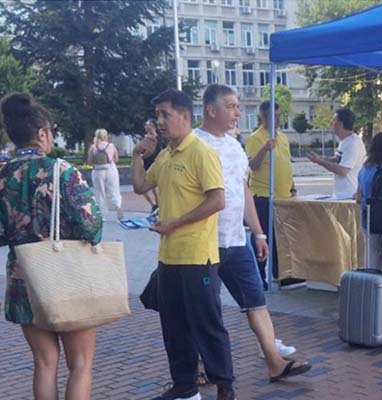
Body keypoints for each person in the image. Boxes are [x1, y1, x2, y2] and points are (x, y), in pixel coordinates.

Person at [195, 84, 311, 382]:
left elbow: (243, 190)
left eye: (236, 106)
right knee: (205, 310)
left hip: (237, 241)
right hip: (204, 244)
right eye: (231, 106)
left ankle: (275, 362)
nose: (237, 112)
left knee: (256, 301)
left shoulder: (234, 146)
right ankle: (195, 367)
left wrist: (258, 233)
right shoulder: (194, 144)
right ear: (211, 110)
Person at [131, 89, 236, 400]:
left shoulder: (201, 152)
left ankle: (224, 385)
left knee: (208, 325)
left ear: (186, 116)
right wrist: (138, 155)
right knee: (173, 327)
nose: (160, 122)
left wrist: (174, 223)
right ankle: (184, 385)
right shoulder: (165, 155)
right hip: (169, 258)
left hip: (197, 256)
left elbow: (218, 200)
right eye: (158, 115)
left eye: (166, 114)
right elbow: (140, 186)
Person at [0, 93, 103, 399]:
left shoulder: (3, 175)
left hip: (23, 277)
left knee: (44, 363)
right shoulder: (61, 170)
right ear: (42, 133)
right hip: (66, 275)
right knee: (81, 364)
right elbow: (92, 226)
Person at [245, 101, 296, 288]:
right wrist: (264, 149)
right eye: (274, 116)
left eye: (279, 115)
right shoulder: (256, 138)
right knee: (262, 236)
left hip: (283, 196)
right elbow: (252, 165)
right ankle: (258, 276)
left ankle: (280, 273)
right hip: (264, 195)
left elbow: (286, 163)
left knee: (281, 236)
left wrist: (293, 187)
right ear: (264, 117)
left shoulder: (282, 137)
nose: (278, 119)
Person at [307, 108, 367, 198]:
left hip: (349, 195)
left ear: (341, 124)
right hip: (342, 194)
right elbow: (338, 160)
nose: (331, 123)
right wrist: (321, 158)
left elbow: (343, 170)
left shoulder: (353, 143)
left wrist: (320, 162)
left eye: (334, 120)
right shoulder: (345, 141)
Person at [355, 131, 382, 268]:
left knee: (372, 255)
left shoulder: (364, 169)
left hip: (368, 217)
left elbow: (358, 197)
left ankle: (373, 284)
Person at [87, 128, 123, 220]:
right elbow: (116, 159)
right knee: (114, 190)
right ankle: (117, 205)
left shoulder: (93, 147)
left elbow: (90, 161)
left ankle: (102, 215)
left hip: (98, 171)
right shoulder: (111, 146)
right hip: (111, 169)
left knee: (100, 193)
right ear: (106, 136)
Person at [142, 119, 163, 213]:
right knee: (144, 187)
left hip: (155, 163)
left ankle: (158, 208)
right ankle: (154, 205)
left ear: (153, 126)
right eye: (145, 124)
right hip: (146, 164)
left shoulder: (158, 138)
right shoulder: (145, 138)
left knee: (155, 188)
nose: (146, 126)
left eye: (148, 124)